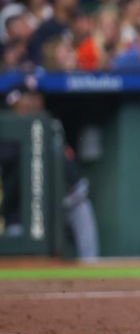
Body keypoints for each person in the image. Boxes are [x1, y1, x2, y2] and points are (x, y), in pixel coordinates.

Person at [2, 81, 99, 260]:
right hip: (21, 208)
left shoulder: (51, 125)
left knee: (81, 205)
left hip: (62, 200)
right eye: (24, 100)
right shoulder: (7, 130)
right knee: (17, 251)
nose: (30, 103)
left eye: (34, 99)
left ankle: (91, 267)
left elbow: (66, 160)